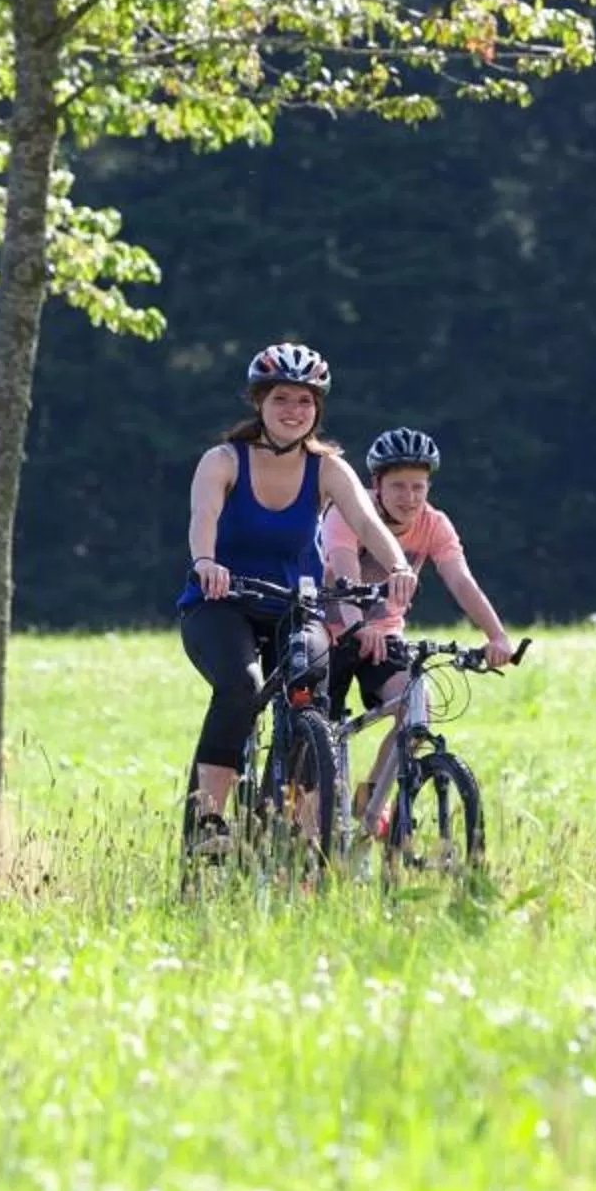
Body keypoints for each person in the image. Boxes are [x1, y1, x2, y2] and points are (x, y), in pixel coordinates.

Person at [179, 343, 415, 854]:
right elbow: (203, 519)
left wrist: (397, 566)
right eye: (282, 399)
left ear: (318, 409)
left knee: (313, 692)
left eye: (305, 402)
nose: (294, 411)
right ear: (259, 403)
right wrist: (206, 564)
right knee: (240, 687)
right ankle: (210, 820)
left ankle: (302, 829)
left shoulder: (327, 468)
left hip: (294, 605)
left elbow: (367, 522)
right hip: (221, 603)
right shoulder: (223, 461)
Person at [323, 426, 516, 818]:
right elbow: (343, 570)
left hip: (385, 635)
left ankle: (369, 804)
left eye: (418, 487)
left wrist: (496, 635)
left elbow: (461, 580)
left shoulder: (434, 525)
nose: (409, 498)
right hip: (329, 633)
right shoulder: (349, 511)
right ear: (376, 485)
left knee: (416, 709)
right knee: (320, 736)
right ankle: (306, 826)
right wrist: (360, 626)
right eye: (398, 487)